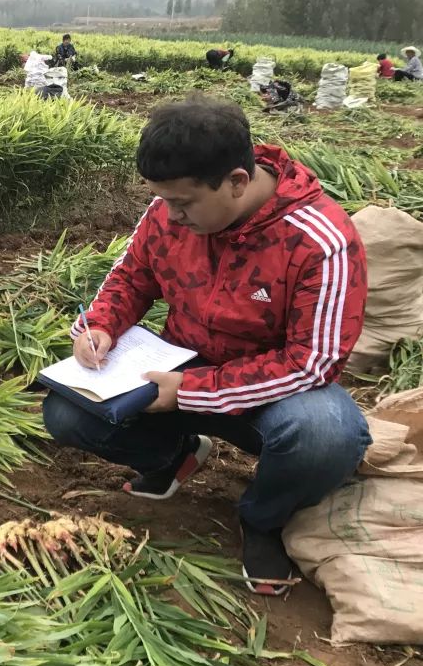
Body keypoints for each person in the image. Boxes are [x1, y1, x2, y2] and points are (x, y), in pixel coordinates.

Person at [44, 97, 369, 596]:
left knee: (327, 434)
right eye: (162, 199)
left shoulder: (318, 239)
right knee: (67, 414)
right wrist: (101, 326)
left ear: (237, 181)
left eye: (184, 203)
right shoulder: (168, 213)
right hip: (180, 363)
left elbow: (312, 361)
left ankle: (263, 518)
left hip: (273, 393)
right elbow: (131, 276)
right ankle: (175, 456)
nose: (171, 216)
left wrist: (189, 392)